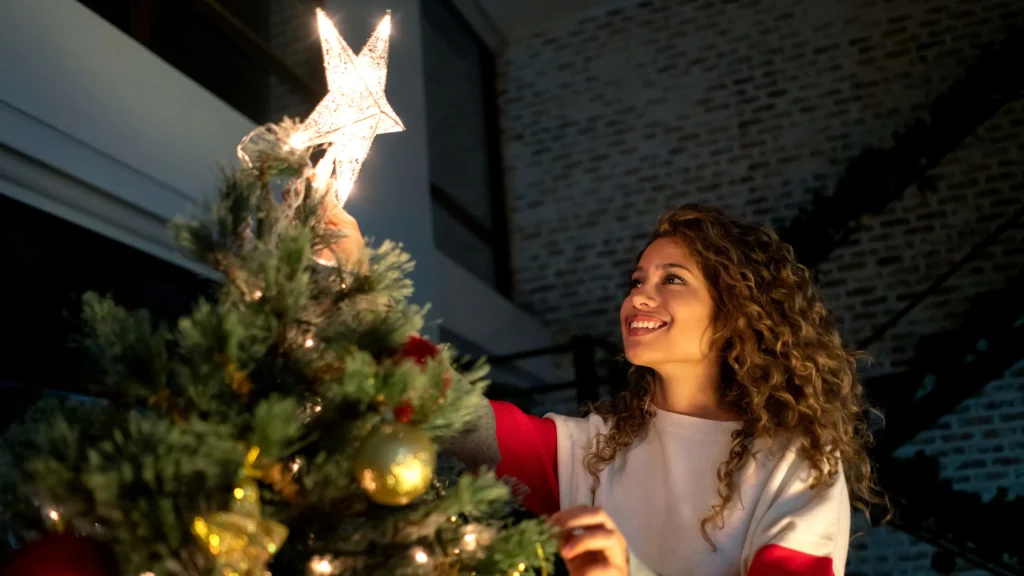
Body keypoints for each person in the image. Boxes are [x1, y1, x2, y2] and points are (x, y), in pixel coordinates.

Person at [329, 202, 884, 576]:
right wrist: (361, 288)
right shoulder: (594, 449)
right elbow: (454, 415)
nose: (639, 296)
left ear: (739, 316)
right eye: (637, 280)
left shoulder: (799, 462)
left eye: (673, 280)